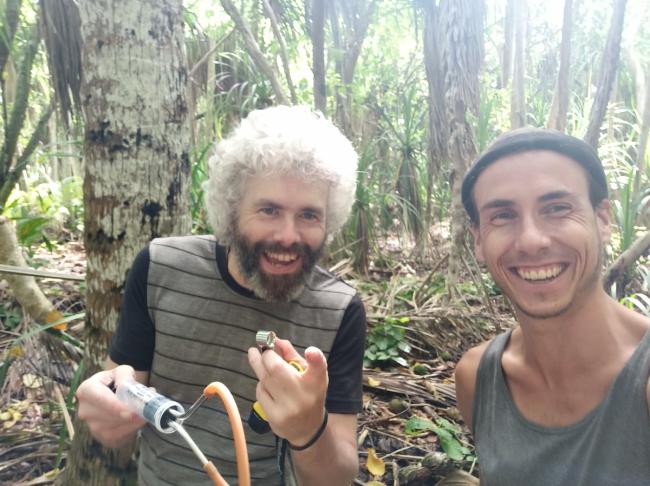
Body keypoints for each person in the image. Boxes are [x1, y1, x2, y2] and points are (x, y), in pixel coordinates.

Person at [75, 105, 367, 486]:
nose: (289, 236)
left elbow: (335, 479)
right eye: (269, 209)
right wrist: (108, 413)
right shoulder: (160, 267)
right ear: (231, 210)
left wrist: (308, 430)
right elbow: (118, 402)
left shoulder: (340, 309)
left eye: (309, 215)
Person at [454, 128, 650, 485]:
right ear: (479, 240)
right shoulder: (478, 379)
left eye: (557, 208)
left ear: (602, 220)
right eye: (503, 215)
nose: (531, 240)